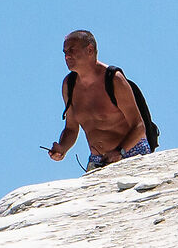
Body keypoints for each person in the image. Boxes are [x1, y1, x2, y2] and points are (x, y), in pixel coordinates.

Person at [45, 29, 149, 170]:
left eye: (71, 50)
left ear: (90, 49)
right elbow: (71, 127)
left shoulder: (113, 79)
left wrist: (120, 151)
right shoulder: (68, 85)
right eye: (64, 52)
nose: (67, 56)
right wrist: (62, 147)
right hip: (98, 160)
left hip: (130, 153)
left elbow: (139, 126)